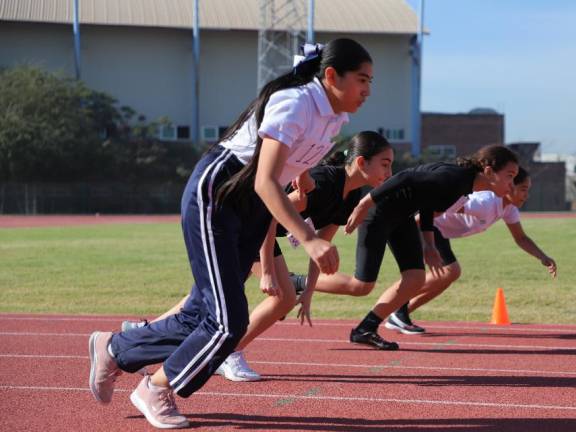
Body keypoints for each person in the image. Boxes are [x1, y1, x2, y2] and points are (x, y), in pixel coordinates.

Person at [87, 38, 373, 429]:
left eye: (370, 81)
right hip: (218, 194)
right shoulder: (296, 102)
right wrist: (308, 237)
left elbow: (296, 158)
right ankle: (154, 388)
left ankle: (116, 348)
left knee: (202, 314)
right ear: (330, 76)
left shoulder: (331, 116)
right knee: (229, 322)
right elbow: (265, 181)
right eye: (361, 79)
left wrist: (303, 178)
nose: (367, 90)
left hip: (249, 210)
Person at [123, 131, 394, 382]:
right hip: (248, 225)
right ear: (362, 162)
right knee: (281, 297)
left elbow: (320, 245)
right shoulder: (323, 183)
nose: (389, 171)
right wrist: (266, 270)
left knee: (206, 298)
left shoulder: (350, 196)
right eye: (385, 163)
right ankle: (229, 352)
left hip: (256, 229)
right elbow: (268, 216)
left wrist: (309, 292)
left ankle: (140, 335)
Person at [307, 145, 520, 350]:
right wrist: (365, 204)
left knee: (416, 278)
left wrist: (429, 244)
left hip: (403, 217)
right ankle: (298, 282)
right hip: (380, 213)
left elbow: (427, 203)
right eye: (510, 176)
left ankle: (366, 329)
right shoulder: (455, 177)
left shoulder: (464, 186)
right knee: (361, 286)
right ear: (489, 171)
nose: (512, 184)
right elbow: (405, 177)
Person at [384, 166, 558, 334]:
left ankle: (400, 313)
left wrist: (542, 256)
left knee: (448, 275)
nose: (526, 196)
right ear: (509, 186)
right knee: (451, 271)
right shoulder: (484, 203)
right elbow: (436, 208)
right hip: (426, 226)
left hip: (439, 231)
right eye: (523, 189)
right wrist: (408, 232)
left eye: (528, 190)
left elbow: (521, 238)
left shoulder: (509, 208)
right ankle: (397, 306)